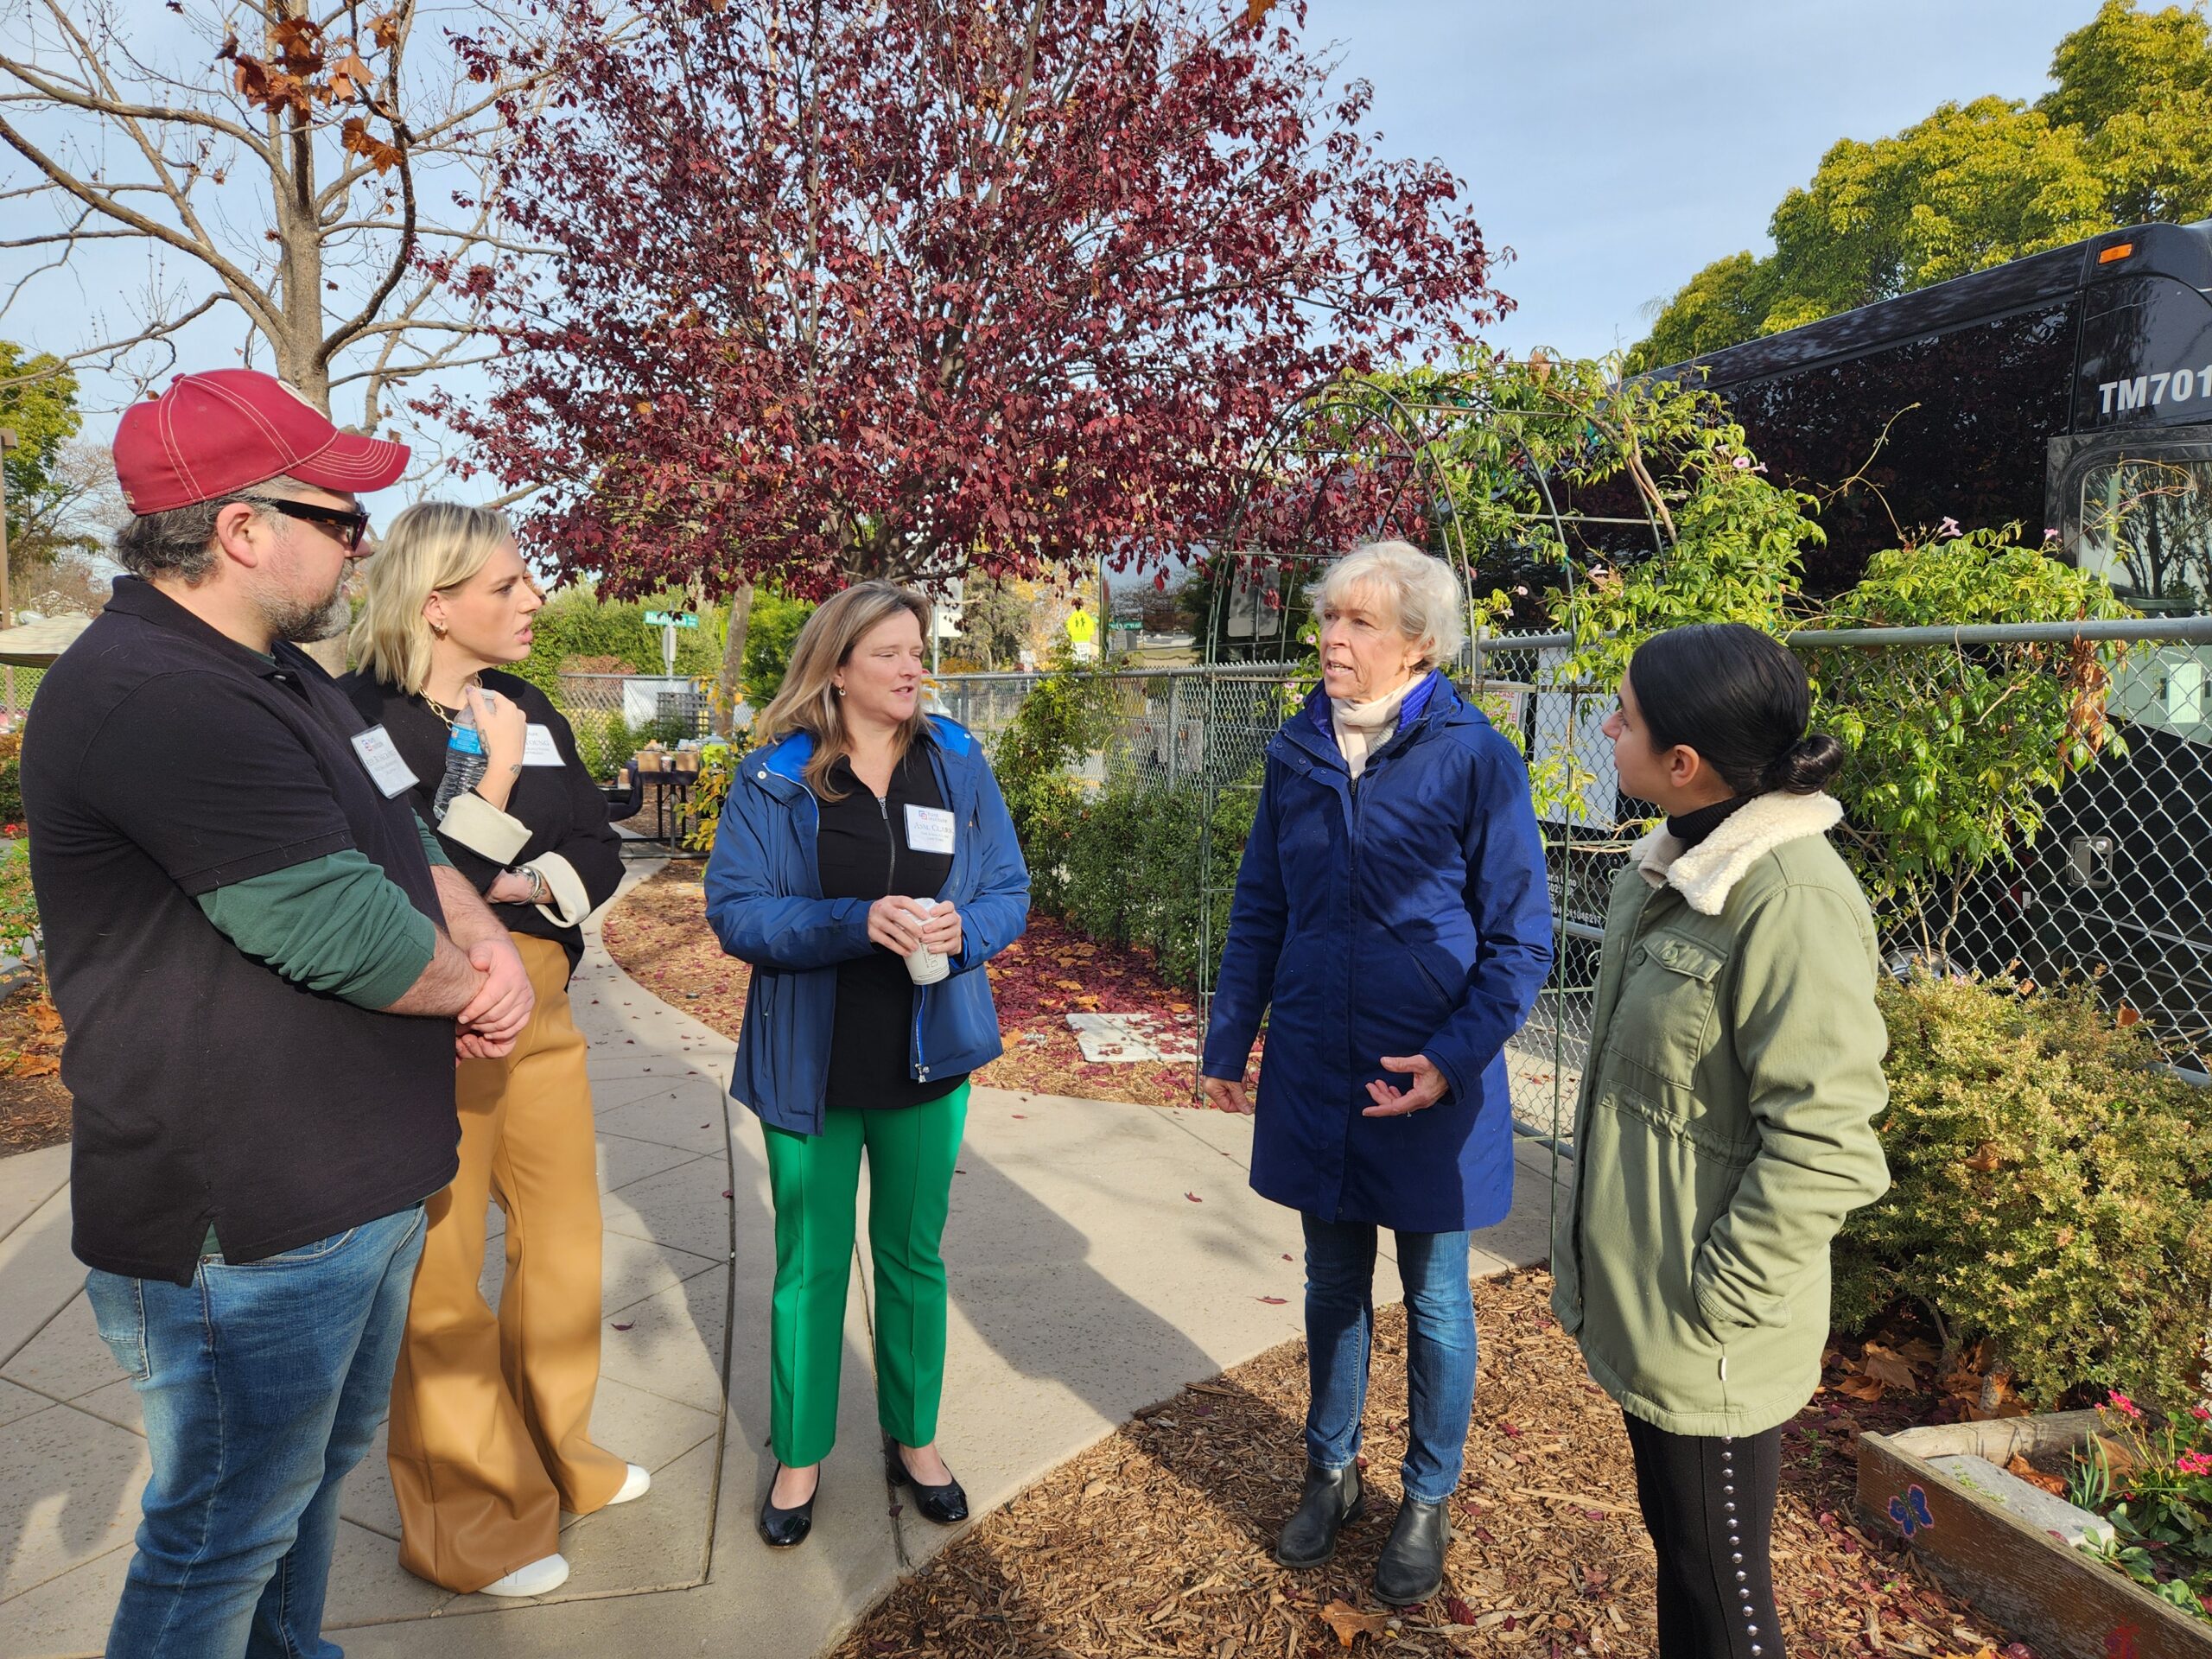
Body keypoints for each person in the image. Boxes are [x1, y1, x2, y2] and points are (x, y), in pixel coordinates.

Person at [21, 370, 535, 1659]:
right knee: (222, 1534)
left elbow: (404, 837)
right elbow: (338, 927)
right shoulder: (157, 692)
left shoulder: (284, 675)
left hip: (348, 1186)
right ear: (242, 529)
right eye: (340, 519)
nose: (362, 544)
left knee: (298, 1495)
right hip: (246, 1223)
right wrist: (482, 986)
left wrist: (485, 943)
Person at [1200, 540, 1554, 1607]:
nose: (1332, 638)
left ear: (1419, 643)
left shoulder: (1475, 758)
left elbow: (1520, 943)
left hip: (1431, 1078)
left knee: (1437, 1298)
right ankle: (1331, 1473)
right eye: (1328, 617)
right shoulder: (1296, 751)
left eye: (1358, 622)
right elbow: (1261, 905)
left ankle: (1426, 1498)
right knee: (1331, 1283)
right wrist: (1228, 1041)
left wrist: (1449, 1060)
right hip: (1319, 1065)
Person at [1552, 622, 1891, 1659]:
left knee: (1723, 1601)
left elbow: (1827, 1144)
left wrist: (1720, 1302)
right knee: (1687, 1564)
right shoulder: (1674, 866)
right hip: (1658, 1311)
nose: (1607, 729)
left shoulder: (1790, 899)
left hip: (1711, 1337)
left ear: (1683, 762)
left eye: (1623, 717)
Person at [340, 503, 645, 1599]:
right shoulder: (355, 715)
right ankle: (468, 1524)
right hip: (441, 1017)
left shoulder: (528, 701)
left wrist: (527, 880)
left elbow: (599, 847)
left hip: (545, 998)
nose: (535, 599)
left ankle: (562, 1456)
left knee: (565, 1243)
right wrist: (497, 781)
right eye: (509, 585)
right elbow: (408, 876)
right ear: (436, 604)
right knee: (443, 1267)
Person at [703, 581, 1029, 1549]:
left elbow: (1007, 888)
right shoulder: (775, 778)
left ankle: (914, 1439)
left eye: (916, 650)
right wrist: (857, 921)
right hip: (808, 1061)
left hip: (929, 1056)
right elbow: (737, 911)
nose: (911, 667)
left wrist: (967, 929)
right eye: (888, 652)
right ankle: (800, 1456)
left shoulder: (956, 764)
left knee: (912, 1257)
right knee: (808, 1264)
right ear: (837, 669)